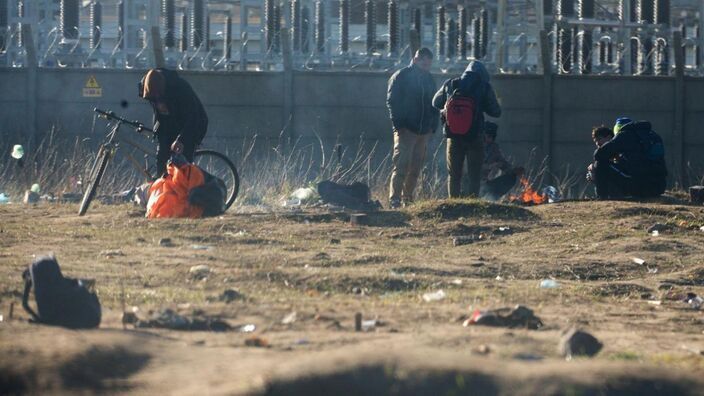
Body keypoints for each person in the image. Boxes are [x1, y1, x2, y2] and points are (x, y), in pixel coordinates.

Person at [432, 60, 501, 198]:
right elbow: (496, 112)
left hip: (453, 136)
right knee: (474, 173)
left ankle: (454, 203)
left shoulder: (451, 83)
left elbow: (435, 102)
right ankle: (472, 203)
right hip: (475, 136)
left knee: (454, 174)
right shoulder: (484, 87)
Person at [386, 48, 439, 208]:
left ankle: (407, 199)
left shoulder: (430, 79)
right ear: (415, 59)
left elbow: (434, 104)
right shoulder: (401, 76)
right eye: (423, 60)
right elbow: (392, 101)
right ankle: (395, 199)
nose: (426, 64)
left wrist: (433, 126)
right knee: (401, 164)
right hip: (406, 130)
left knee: (416, 167)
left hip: (423, 131)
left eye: (428, 62)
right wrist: (399, 125)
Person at [139, 68, 208, 176]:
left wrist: (181, 139)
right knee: (162, 158)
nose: (157, 99)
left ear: (164, 89)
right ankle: (163, 188)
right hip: (168, 123)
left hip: (193, 123)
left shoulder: (180, 88)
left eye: (159, 95)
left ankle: (186, 187)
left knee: (181, 162)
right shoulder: (145, 88)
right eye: (154, 97)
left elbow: (192, 118)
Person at [591, 118, 667, 199]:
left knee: (599, 164)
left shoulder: (625, 135)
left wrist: (595, 170)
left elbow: (598, 155)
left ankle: (601, 198)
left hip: (639, 186)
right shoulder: (654, 135)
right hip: (659, 187)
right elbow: (641, 161)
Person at [480, 122, 522, 200]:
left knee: (511, 178)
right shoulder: (474, 147)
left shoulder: (494, 148)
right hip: (472, 184)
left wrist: (513, 170)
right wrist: (488, 166)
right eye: (488, 136)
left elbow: (503, 163)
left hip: (486, 184)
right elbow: (468, 168)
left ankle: (491, 199)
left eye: (492, 137)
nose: (490, 139)